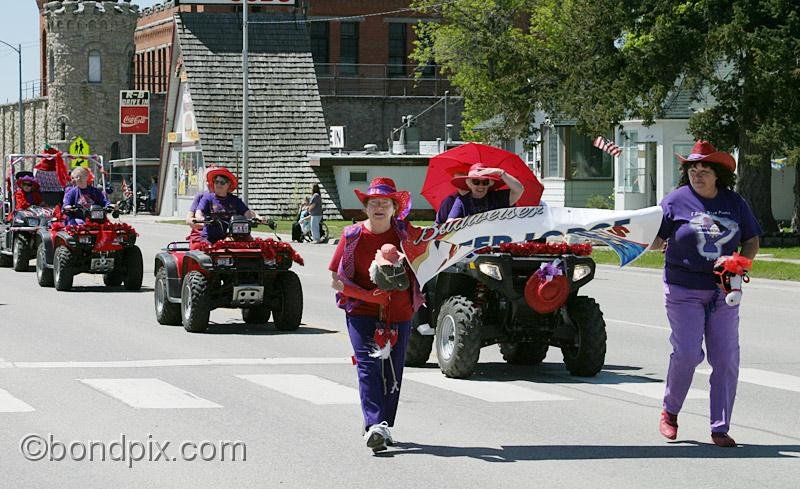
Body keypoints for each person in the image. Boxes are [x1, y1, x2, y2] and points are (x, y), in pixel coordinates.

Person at [650, 140, 761, 448]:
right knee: (687, 353)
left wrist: (742, 262)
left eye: (704, 170)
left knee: (725, 359)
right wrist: (638, 239)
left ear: (717, 175)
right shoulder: (674, 201)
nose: (697, 175)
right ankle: (670, 411)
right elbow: (656, 240)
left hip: (725, 289)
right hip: (683, 288)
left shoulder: (734, 203)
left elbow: (751, 240)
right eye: (693, 170)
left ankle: (720, 428)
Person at [328, 177, 424, 453]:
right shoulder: (352, 235)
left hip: (400, 311)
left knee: (393, 370)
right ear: (366, 208)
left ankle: (382, 424)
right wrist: (369, 295)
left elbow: (434, 248)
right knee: (369, 367)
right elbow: (336, 280)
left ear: (395, 207)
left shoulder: (407, 234)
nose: (379, 207)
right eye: (373, 202)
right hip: (362, 310)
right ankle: (375, 425)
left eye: (385, 202)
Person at [194, 167, 262, 246]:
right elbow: (199, 212)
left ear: (229, 184)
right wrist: (200, 218)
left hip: (232, 237)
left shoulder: (235, 200)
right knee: (207, 252)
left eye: (222, 183)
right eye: (216, 182)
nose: (219, 184)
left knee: (253, 248)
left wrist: (253, 219)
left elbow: (247, 212)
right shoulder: (207, 198)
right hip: (210, 238)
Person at [446, 162, 524, 220]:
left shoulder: (498, 197)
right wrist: (457, 222)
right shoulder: (461, 201)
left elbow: (519, 190)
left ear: (490, 184)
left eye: (485, 182)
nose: (481, 186)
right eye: (476, 182)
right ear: (469, 183)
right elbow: (450, 221)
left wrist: (500, 172)